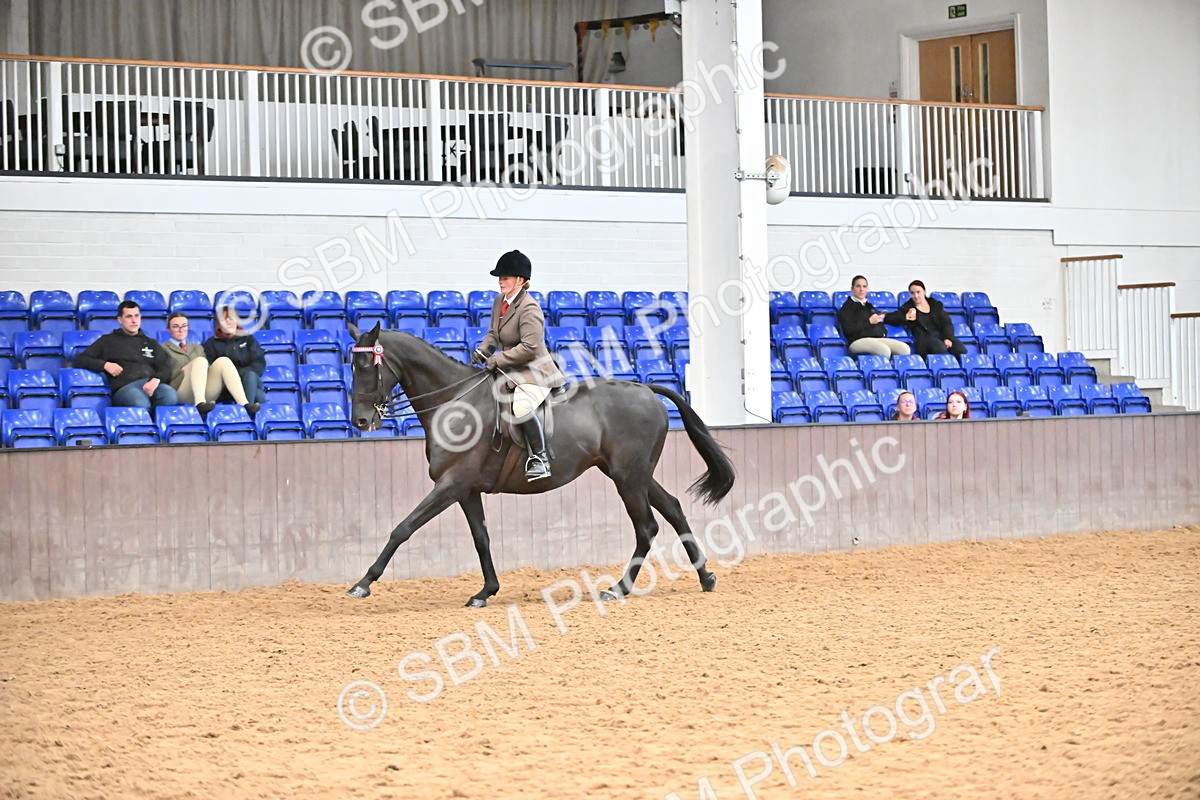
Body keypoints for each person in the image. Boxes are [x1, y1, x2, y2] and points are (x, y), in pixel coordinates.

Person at [472, 249, 566, 481]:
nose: (500, 281)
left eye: (505, 277)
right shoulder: (499, 302)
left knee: (522, 408)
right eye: (500, 278)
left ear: (520, 281)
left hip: (535, 371)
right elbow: (493, 333)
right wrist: (483, 350)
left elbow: (529, 348)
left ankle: (540, 459)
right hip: (511, 369)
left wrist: (497, 359)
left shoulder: (529, 308)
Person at [74, 300, 180, 410]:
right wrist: (105, 365)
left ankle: (156, 425)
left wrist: (156, 379)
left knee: (170, 396)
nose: (134, 321)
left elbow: (166, 365)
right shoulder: (107, 341)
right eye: (129, 316)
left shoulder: (150, 342)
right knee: (140, 403)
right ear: (120, 319)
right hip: (125, 387)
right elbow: (81, 359)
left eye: (136, 316)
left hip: (150, 383)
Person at [162, 312, 260, 418]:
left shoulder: (197, 347)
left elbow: (206, 369)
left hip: (203, 391)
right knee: (200, 360)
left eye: (184, 326)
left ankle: (244, 404)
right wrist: (184, 370)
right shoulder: (163, 349)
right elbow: (163, 376)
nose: (181, 330)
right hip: (180, 390)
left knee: (223, 361)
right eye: (176, 326)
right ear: (168, 329)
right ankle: (199, 404)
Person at [202, 306, 267, 411]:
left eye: (231, 318)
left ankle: (245, 412)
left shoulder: (248, 339)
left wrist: (239, 374)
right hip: (225, 387)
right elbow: (210, 369)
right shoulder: (211, 343)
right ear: (219, 324)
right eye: (224, 319)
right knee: (259, 396)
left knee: (250, 377)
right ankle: (248, 413)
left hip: (249, 379)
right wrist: (232, 378)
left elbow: (259, 364)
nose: (228, 322)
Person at [836, 275, 911, 357]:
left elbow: (883, 319)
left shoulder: (869, 306)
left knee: (904, 349)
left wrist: (904, 317)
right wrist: (869, 322)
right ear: (852, 289)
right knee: (884, 350)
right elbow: (849, 329)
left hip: (877, 338)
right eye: (858, 286)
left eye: (864, 286)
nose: (861, 289)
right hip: (857, 340)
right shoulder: (847, 308)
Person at [895, 280, 967, 357]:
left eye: (918, 292)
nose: (916, 296)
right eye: (912, 293)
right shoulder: (907, 307)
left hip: (941, 335)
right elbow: (893, 317)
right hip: (925, 339)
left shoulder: (936, 305)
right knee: (940, 349)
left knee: (961, 350)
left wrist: (948, 338)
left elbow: (947, 323)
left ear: (924, 292)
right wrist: (905, 317)